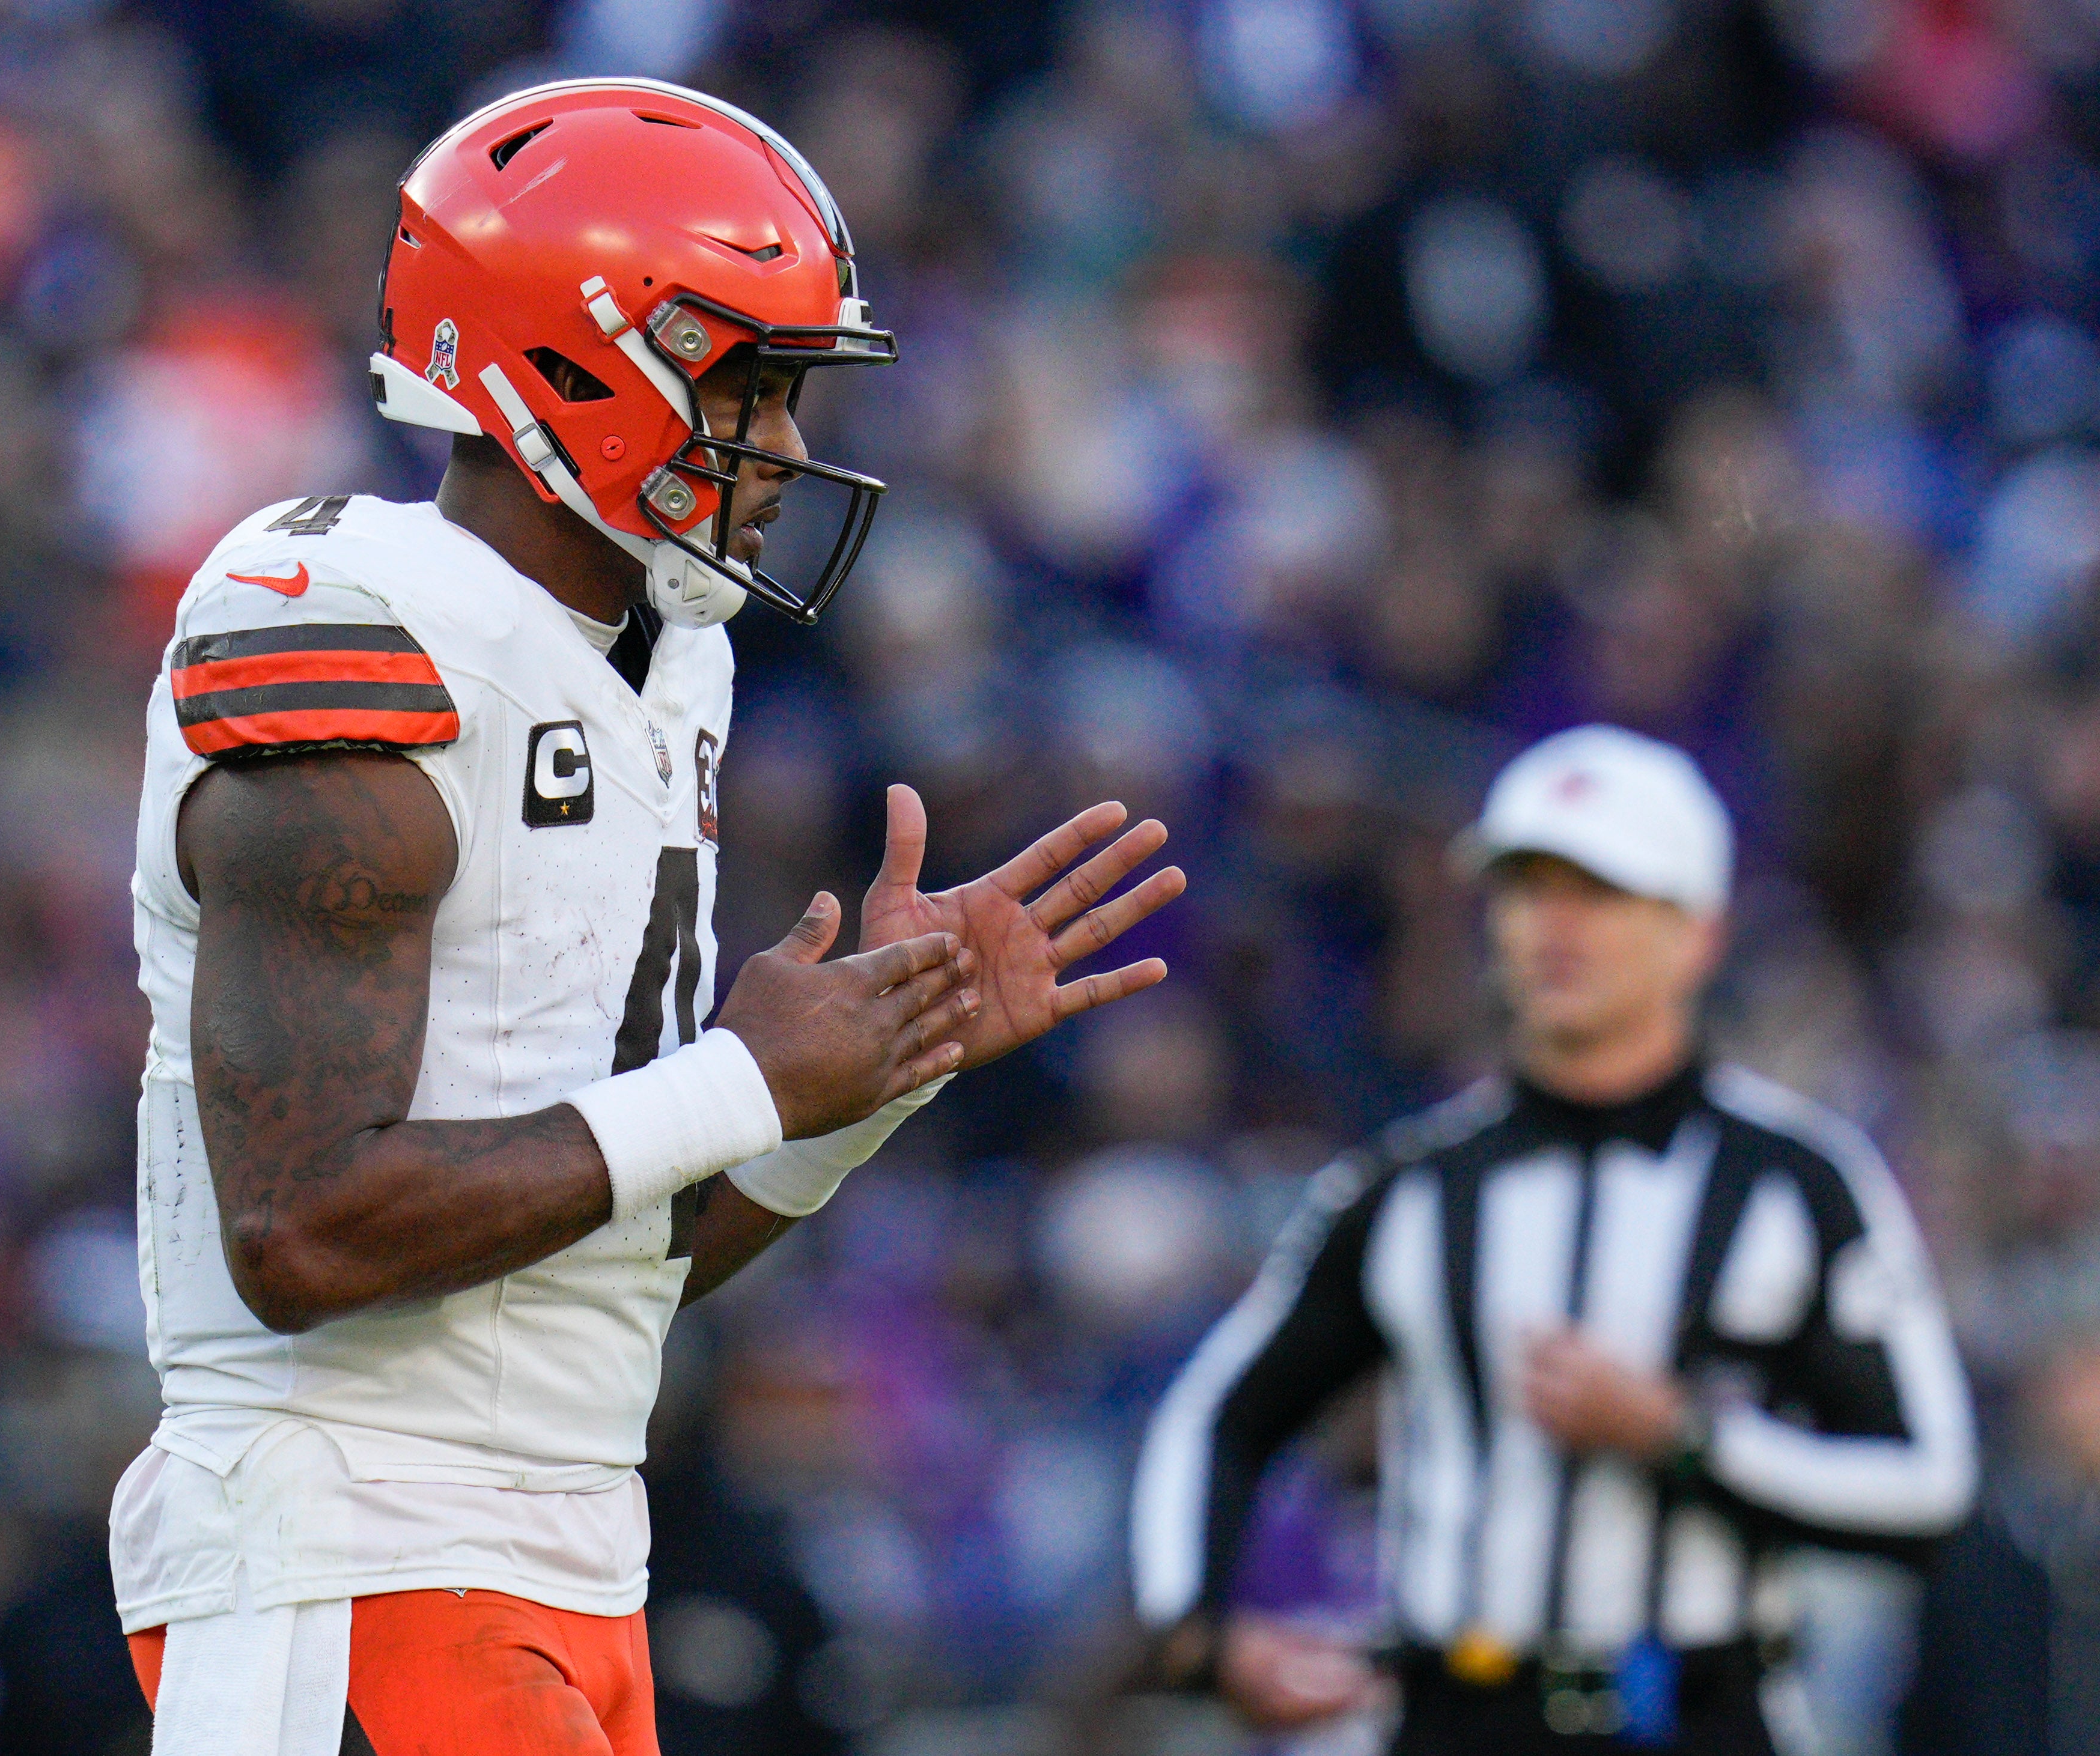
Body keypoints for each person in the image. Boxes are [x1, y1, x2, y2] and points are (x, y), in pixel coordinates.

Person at [114, 77, 1187, 1756]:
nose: (788, 451)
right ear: (573, 362)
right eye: (751, 389)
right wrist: (744, 1085)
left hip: (557, 1556)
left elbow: (614, 1261)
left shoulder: (670, 658)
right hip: (348, 1553)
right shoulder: (358, 623)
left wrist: (869, 1081)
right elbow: (302, 1235)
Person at [1130, 725, 1977, 1754]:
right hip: (1453, 1713)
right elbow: (1220, 1412)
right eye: (1524, 887)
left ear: (1697, 935)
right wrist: (1199, 1634)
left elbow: (1926, 1489)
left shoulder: (1797, 1183)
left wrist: (1679, 1438)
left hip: (1703, 1715)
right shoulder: (1404, 1187)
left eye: (1598, 891)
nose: (1550, 927)